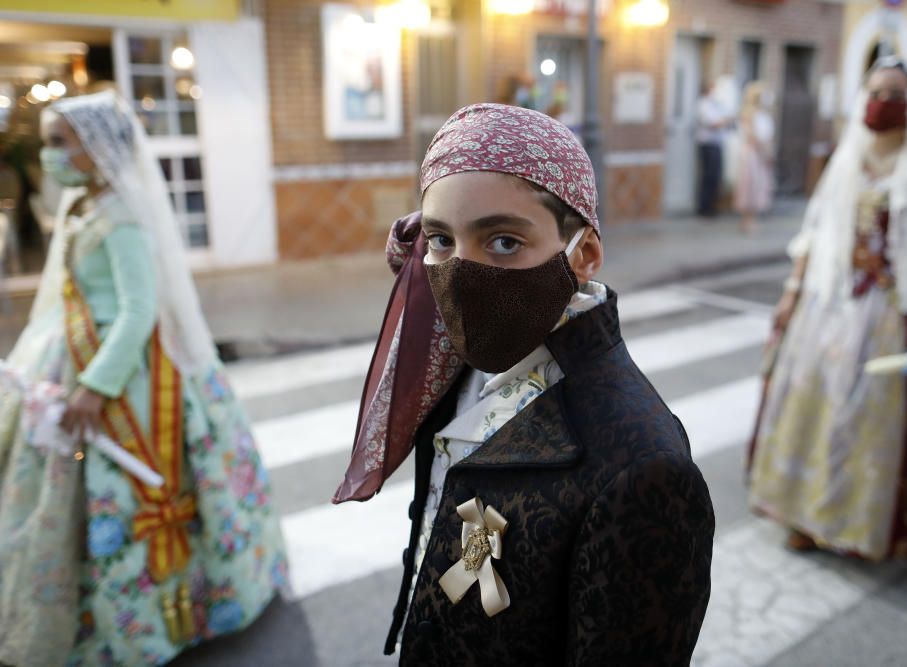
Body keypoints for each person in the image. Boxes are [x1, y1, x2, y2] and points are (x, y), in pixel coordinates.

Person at [333, 103, 714, 665]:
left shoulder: (644, 470)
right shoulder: (456, 365)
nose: (461, 274)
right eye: (441, 240)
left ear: (583, 254)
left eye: (503, 241)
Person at [0, 91, 286, 666]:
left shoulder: (121, 217)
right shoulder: (87, 205)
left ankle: (156, 615)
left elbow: (138, 311)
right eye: (50, 142)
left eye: (61, 142)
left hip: (120, 372)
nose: (51, 154)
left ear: (97, 146)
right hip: (78, 355)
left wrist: (95, 387)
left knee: (136, 497)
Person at [747, 58, 907, 560]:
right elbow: (815, 232)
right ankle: (805, 516)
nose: (884, 101)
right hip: (829, 305)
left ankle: (858, 524)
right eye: (877, 90)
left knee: (864, 420)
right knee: (811, 409)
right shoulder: (847, 160)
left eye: (896, 93)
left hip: (893, 310)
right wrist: (790, 296)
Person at [734, 82, 775, 234]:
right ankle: (747, 220)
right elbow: (752, 136)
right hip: (753, 154)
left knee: (759, 186)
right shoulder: (748, 114)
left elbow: (768, 136)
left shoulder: (765, 115)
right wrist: (764, 151)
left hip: (763, 154)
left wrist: (769, 153)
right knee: (750, 185)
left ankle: (753, 218)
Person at [696, 81, 729, 217]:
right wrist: (725, 120)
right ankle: (704, 207)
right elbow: (714, 123)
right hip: (707, 144)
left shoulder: (716, 104)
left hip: (716, 144)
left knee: (715, 176)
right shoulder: (703, 104)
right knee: (709, 176)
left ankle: (712, 206)